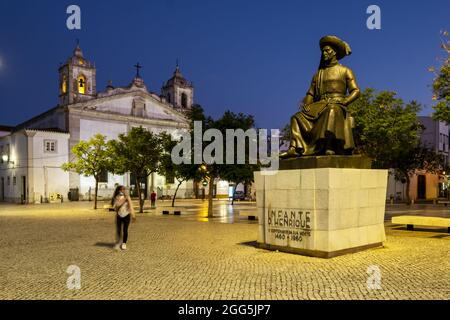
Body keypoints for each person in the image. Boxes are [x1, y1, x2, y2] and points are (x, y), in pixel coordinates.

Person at [280, 35, 361, 158]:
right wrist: (306, 104)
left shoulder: (345, 71)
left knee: (332, 110)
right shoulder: (318, 74)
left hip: (337, 104)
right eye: (323, 51)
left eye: (327, 50)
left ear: (334, 52)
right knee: (296, 117)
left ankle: (329, 146)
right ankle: (295, 148)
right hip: (319, 105)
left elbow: (356, 91)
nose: (324, 53)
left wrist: (345, 101)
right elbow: (311, 93)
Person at [111, 186, 136, 250]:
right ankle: (119, 242)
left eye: (124, 189)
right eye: (122, 189)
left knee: (125, 230)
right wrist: (120, 202)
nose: (123, 190)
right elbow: (114, 207)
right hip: (119, 215)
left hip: (127, 215)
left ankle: (124, 243)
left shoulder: (128, 197)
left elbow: (131, 206)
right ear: (119, 190)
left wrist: (133, 215)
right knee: (119, 230)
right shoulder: (117, 197)